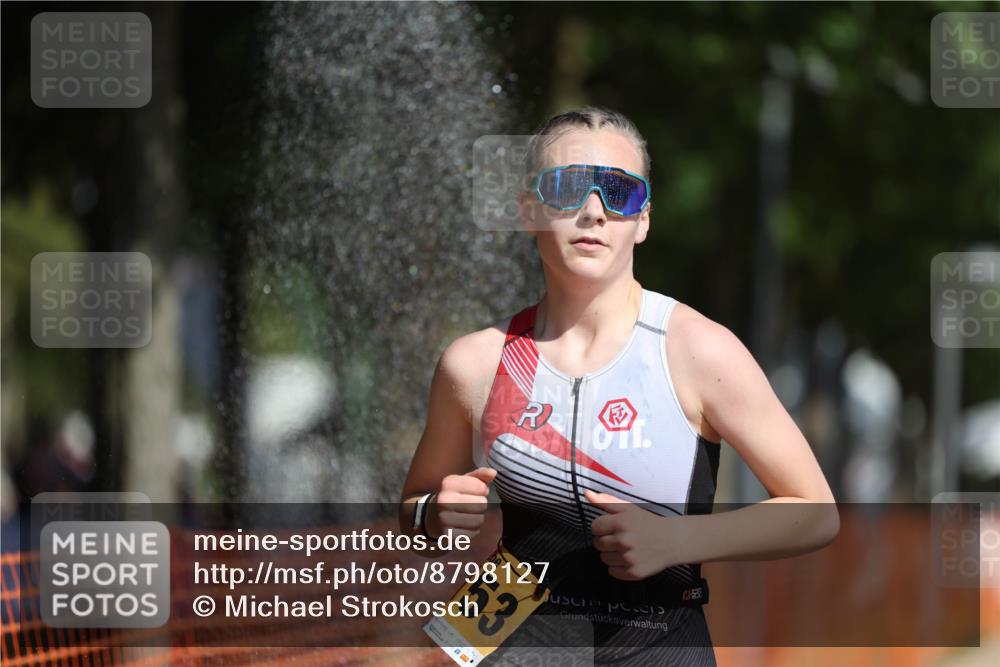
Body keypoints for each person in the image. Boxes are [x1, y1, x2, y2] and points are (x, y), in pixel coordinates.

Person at [400, 106, 839, 665]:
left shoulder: (696, 350)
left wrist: (678, 541)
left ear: (644, 219)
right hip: (509, 645)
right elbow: (415, 511)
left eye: (619, 192)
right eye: (566, 189)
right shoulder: (477, 362)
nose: (592, 211)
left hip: (656, 646)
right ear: (528, 211)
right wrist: (433, 515)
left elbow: (816, 510)